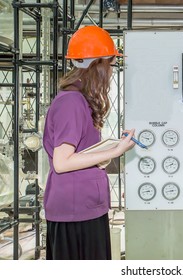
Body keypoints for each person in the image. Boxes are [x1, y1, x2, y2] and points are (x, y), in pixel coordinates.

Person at [42, 25, 135, 260]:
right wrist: (115, 150)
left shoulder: (78, 100)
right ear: (98, 66)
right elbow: (62, 162)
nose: (112, 72)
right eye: (111, 65)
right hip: (75, 212)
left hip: (83, 207)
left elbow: (77, 154)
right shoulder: (71, 102)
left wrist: (103, 154)